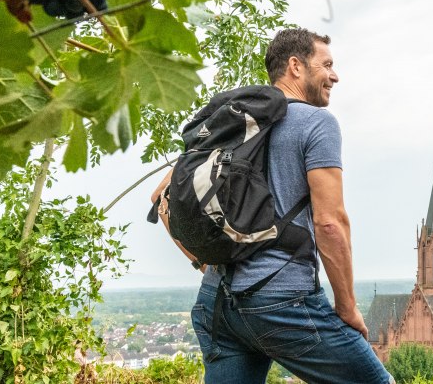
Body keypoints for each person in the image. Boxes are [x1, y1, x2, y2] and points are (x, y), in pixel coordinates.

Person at [153, 27, 391, 384]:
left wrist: (205, 261)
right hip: (282, 305)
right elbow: (330, 223)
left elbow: (161, 197)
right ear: (296, 66)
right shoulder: (318, 123)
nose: (335, 75)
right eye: (327, 64)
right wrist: (346, 307)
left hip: (216, 302)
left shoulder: (234, 122)